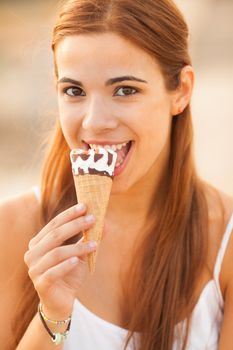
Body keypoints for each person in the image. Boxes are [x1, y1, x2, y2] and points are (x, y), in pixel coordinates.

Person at [1, 0, 233, 349]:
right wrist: (52, 313)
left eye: (125, 90)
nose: (94, 121)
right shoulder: (13, 228)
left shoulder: (225, 241)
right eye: (74, 91)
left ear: (181, 91)